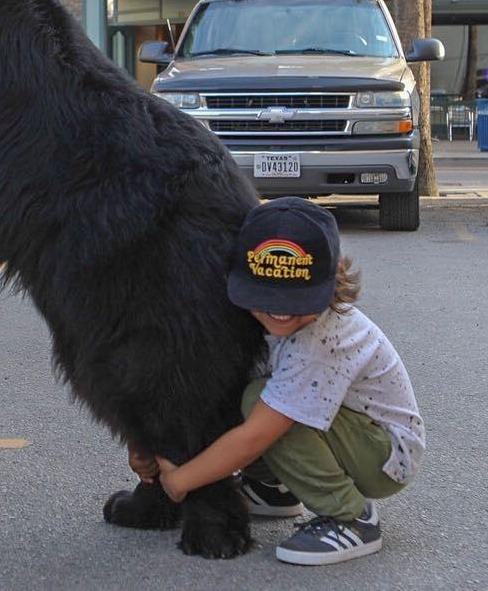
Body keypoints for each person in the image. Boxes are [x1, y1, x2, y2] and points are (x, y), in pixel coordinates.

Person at [136, 198, 425, 566]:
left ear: (333, 280)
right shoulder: (277, 324)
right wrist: (143, 444)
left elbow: (256, 435)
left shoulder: (322, 340)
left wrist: (181, 481)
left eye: (296, 298)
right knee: (248, 391)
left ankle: (351, 517)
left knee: (269, 411)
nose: (279, 311)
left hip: (383, 454)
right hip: (348, 429)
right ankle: (274, 490)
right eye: (265, 296)